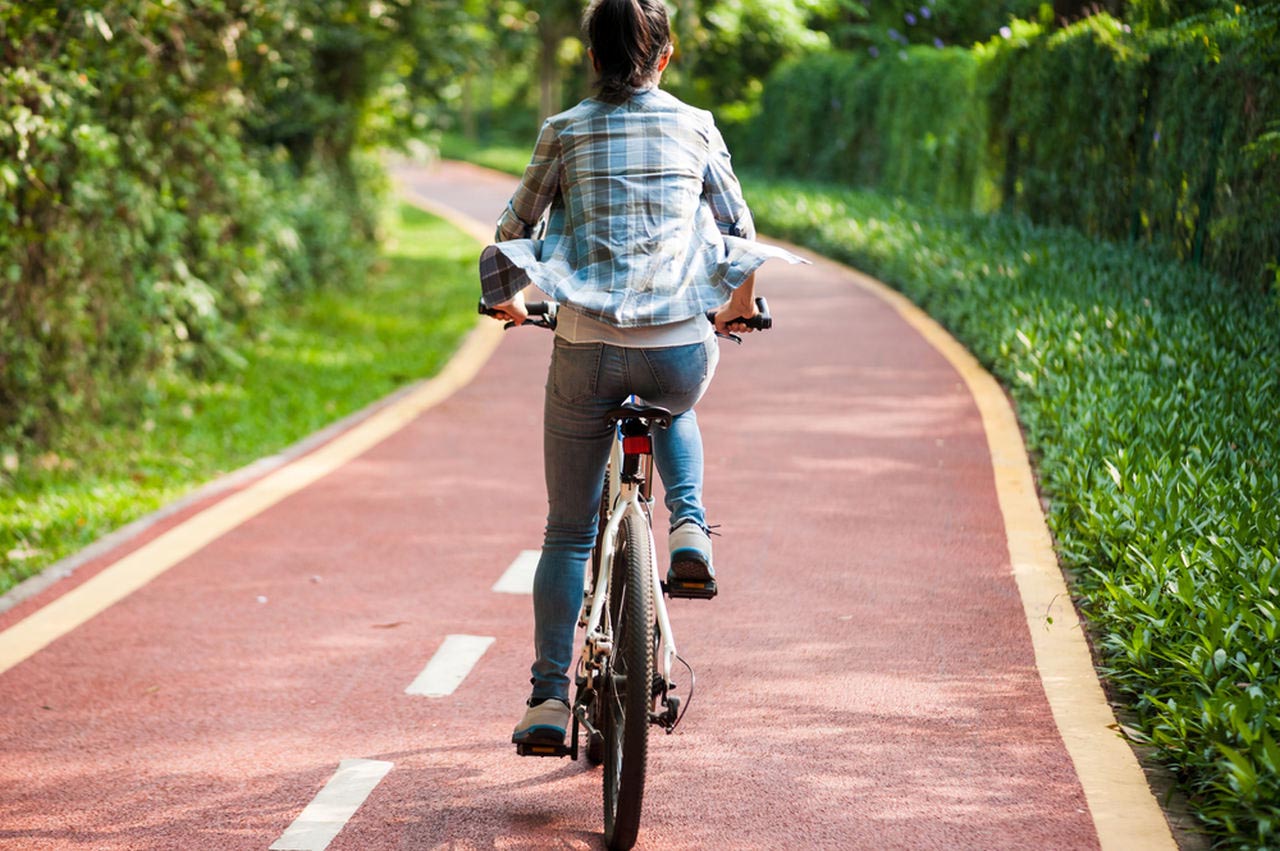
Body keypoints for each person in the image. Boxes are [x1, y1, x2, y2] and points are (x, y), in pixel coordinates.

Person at [479, 0, 805, 750]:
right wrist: (738, 308)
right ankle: (688, 523)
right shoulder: (697, 125)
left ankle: (547, 700)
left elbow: (512, 233)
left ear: (592, 57)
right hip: (678, 346)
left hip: (587, 346)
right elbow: (737, 232)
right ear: (667, 55)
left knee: (565, 534)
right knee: (674, 398)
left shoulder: (562, 130)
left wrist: (504, 302)